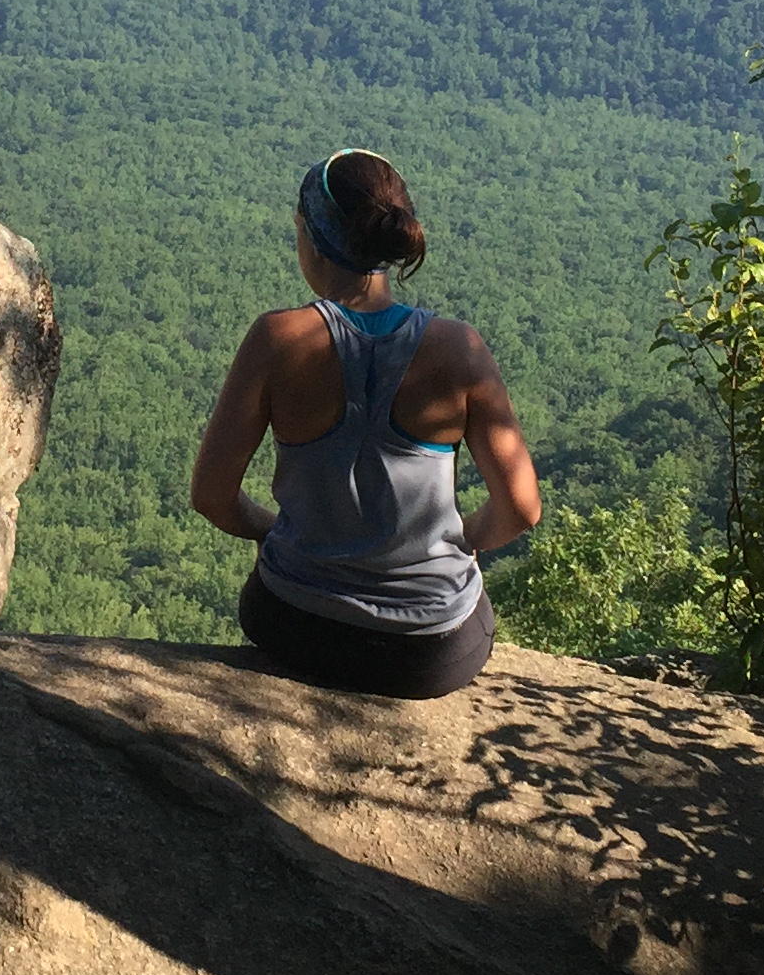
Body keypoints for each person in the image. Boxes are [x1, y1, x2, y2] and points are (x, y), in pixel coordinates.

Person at [187, 150, 542, 699]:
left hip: (295, 624)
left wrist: (272, 531)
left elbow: (212, 496)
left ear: (311, 237)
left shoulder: (277, 341)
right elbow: (521, 508)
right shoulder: (459, 349)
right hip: (429, 653)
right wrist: (460, 540)